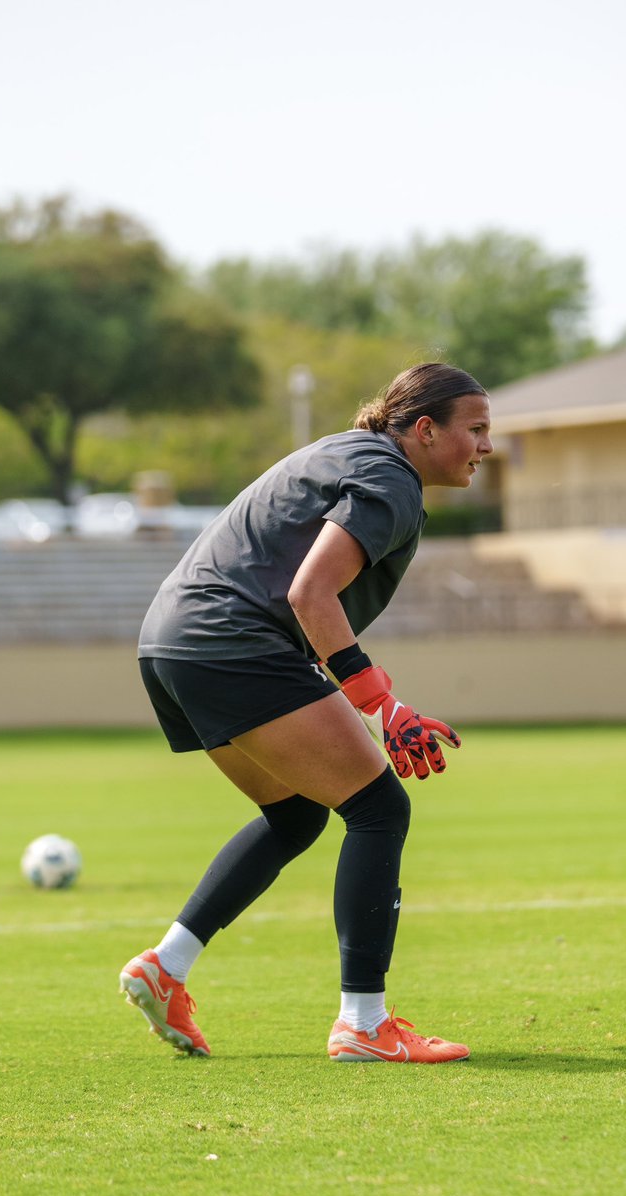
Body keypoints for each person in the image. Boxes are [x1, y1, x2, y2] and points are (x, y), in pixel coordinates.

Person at [120, 362, 493, 1063]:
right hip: (232, 642)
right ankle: (364, 1022)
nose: (486, 447)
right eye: (475, 430)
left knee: (297, 814)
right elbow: (310, 595)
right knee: (380, 809)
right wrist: (384, 706)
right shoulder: (391, 478)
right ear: (423, 429)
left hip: (171, 642)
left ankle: (166, 966)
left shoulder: (346, 453)